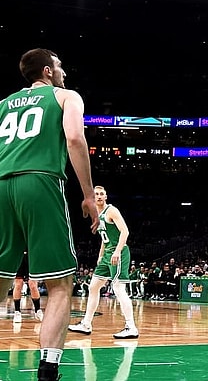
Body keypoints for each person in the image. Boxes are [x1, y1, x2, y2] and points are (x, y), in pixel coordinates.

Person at [0, 48, 99, 381]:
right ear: (47, 70)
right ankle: (47, 370)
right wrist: (88, 194)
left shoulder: (3, 105)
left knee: (1, 278)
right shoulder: (65, 95)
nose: (64, 73)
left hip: (1, 183)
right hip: (39, 181)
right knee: (59, 284)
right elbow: (74, 138)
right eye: (60, 66)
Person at [68, 186, 139, 339]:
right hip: (107, 254)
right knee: (93, 287)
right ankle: (86, 324)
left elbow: (125, 231)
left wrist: (117, 251)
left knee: (119, 288)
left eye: (101, 194)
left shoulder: (111, 211)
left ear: (106, 197)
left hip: (118, 253)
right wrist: (100, 255)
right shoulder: (96, 214)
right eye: (96, 194)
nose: (99, 196)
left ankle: (131, 327)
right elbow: (104, 238)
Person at [12, 251, 44, 323]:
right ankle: (17, 312)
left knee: (33, 285)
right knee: (18, 284)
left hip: (31, 256)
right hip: (18, 256)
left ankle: (37, 310)